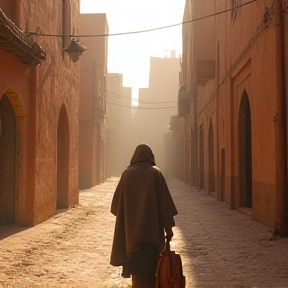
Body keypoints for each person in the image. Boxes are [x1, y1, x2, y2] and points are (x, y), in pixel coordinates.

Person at [110, 144, 178, 288]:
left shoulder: (126, 174)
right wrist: (169, 229)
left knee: (136, 274)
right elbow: (164, 205)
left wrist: (130, 216)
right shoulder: (155, 174)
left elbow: (116, 207)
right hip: (151, 237)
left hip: (131, 238)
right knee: (151, 273)